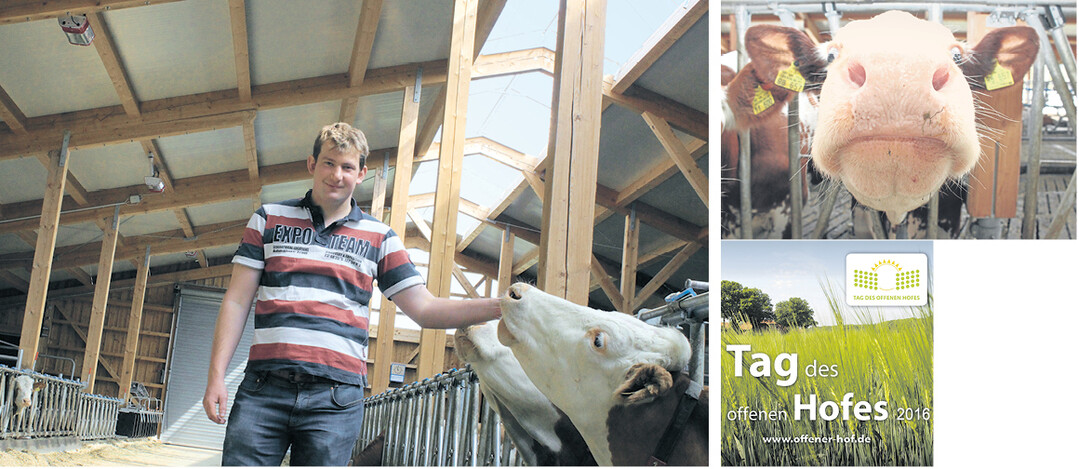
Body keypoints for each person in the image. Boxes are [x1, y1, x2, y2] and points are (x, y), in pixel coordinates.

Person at [202, 122, 501, 466]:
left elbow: (424, 308)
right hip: (264, 388)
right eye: (329, 163)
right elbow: (237, 301)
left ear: (361, 174)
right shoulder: (269, 219)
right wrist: (216, 377)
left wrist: (499, 306)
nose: (337, 174)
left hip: (335, 400)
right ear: (312, 165)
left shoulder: (380, 237)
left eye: (347, 167)